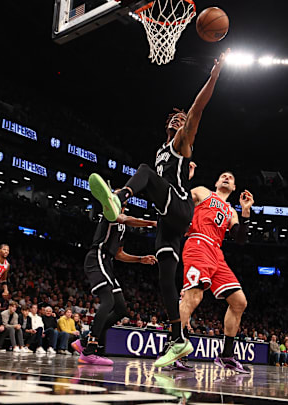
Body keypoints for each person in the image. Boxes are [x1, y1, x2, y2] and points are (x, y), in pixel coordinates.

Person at [87, 50, 228, 367]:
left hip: (178, 207)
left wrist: (214, 76)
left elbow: (196, 111)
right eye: (174, 119)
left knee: (144, 171)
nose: (179, 122)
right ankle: (178, 340)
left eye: (182, 121)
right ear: (166, 124)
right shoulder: (162, 150)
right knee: (166, 280)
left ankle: (119, 195)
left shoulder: (182, 142)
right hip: (168, 221)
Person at [177, 171, 253, 372]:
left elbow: (240, 239)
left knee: (239, 302)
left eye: (231, 177)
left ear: (234, 188)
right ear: (216, 182)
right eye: (223, 176)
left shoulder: (231, 211)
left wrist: (245, 212)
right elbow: (180, 200)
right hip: (198, 243)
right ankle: (174, 347)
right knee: (193, 297)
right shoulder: (203, 192)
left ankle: (227, 355)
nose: (227, 177)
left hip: (216, 253)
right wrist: (187, 177)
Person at [71, 201, 157, 365]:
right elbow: (125, 219)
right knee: (108, 300)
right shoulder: (110, 213)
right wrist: (151, 222)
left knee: (120, 309)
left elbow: (119, 254)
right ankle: (89, 350)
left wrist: (140, 259)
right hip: (97, 258)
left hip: (108, 262)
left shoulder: (122, 226)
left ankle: (83, 342)